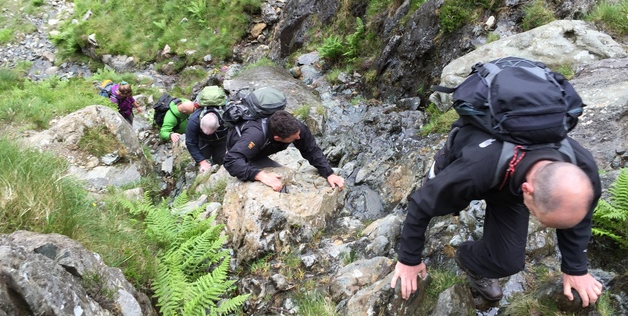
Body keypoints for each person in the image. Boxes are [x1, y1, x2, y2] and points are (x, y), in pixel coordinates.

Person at [390, 122, 603, 307]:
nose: (546, 228)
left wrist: (575, 268)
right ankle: (442, 164)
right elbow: (421, 203)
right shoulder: (475, 169)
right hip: (479, 155)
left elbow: (577, 217)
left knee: (508, 262)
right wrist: (409, 260)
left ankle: (467, 259)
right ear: (527, 191)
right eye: (541, 218)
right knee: (437, 196)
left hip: (513, 178)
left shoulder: (583, 176)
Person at [223, 110, 344, 192]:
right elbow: (231, 161)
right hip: (244, 151)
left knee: (283, 180)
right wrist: (260, 175)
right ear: (278, 138)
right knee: (277, 185)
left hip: (261, 149)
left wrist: (329, 173)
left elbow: (311, 149)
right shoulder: (255, 136)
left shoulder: (296, 128)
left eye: (298, 134)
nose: (298, 138)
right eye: (294, 138)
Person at [185, 107, 228, 173]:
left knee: (220, 160)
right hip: (203, 140)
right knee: (203, 158)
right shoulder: (193, 122)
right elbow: (190, 142)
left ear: (218, 126)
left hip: (221, 140)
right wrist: (202, 161)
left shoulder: (227, 117)